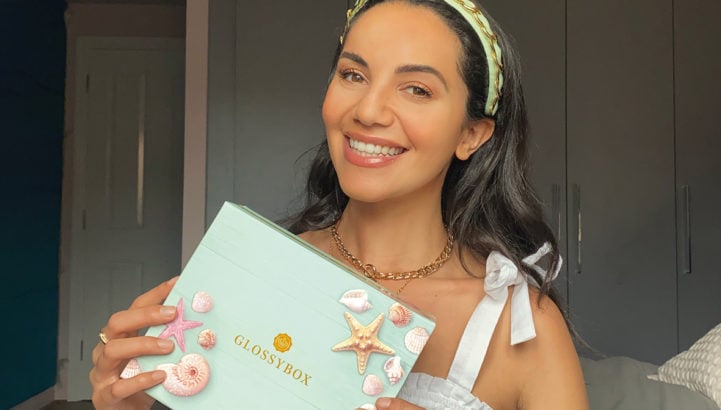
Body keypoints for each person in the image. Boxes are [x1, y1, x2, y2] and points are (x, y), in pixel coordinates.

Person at [90, 0, 588, 409]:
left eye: (416, 89)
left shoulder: (522, 328)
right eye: (353, 75)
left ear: (471, 133)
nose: (368, 111)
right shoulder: (252, 278)